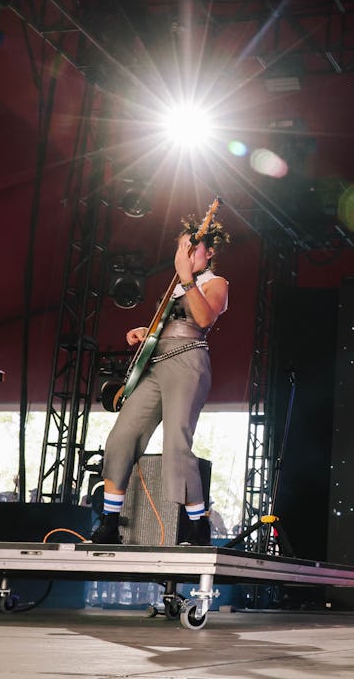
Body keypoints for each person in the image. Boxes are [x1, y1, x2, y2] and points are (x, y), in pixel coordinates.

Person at [89, 218, 230, 547]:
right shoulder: (176, 289)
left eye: (190, 249)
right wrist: (146, 331)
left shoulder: (215, 282)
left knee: (176, 445)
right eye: (181, 249)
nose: (184, 255)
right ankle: (110, 521)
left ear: (208, 253)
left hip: (188, 360)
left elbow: (204, 318)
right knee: (122, 437)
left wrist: (186, 278)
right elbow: (166, 324)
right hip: (156, 363)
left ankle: (198, 526)